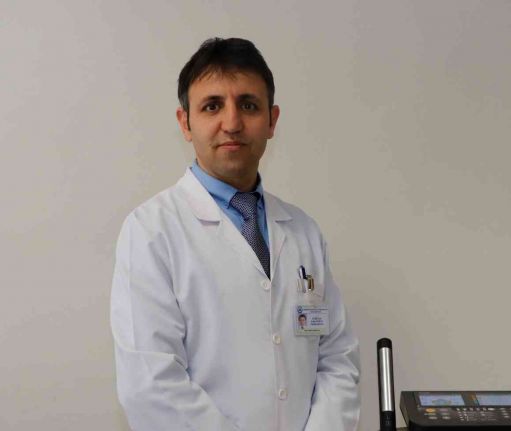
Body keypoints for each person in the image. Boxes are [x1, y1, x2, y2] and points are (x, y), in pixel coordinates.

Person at [110, 37, 360, 431]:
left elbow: (337, 360)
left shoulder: (303, 231)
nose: (232, 123)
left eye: (248, 105)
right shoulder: (150, 231)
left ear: (272, 120)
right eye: (212, 106)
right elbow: (151, 385)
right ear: (185, 122)